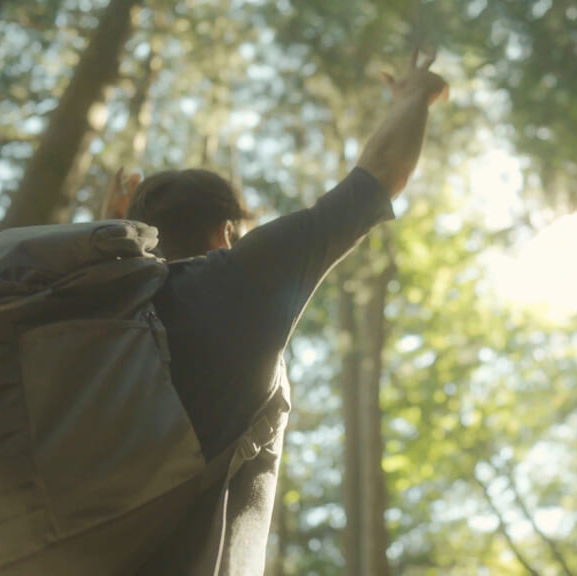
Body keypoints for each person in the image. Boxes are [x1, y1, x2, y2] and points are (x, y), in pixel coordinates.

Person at [100, 49, 449, 575]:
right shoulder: (236, 282)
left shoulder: (97, 310)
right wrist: (416, 93)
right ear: (226, 233)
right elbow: (380, 176)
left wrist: (108, 235)